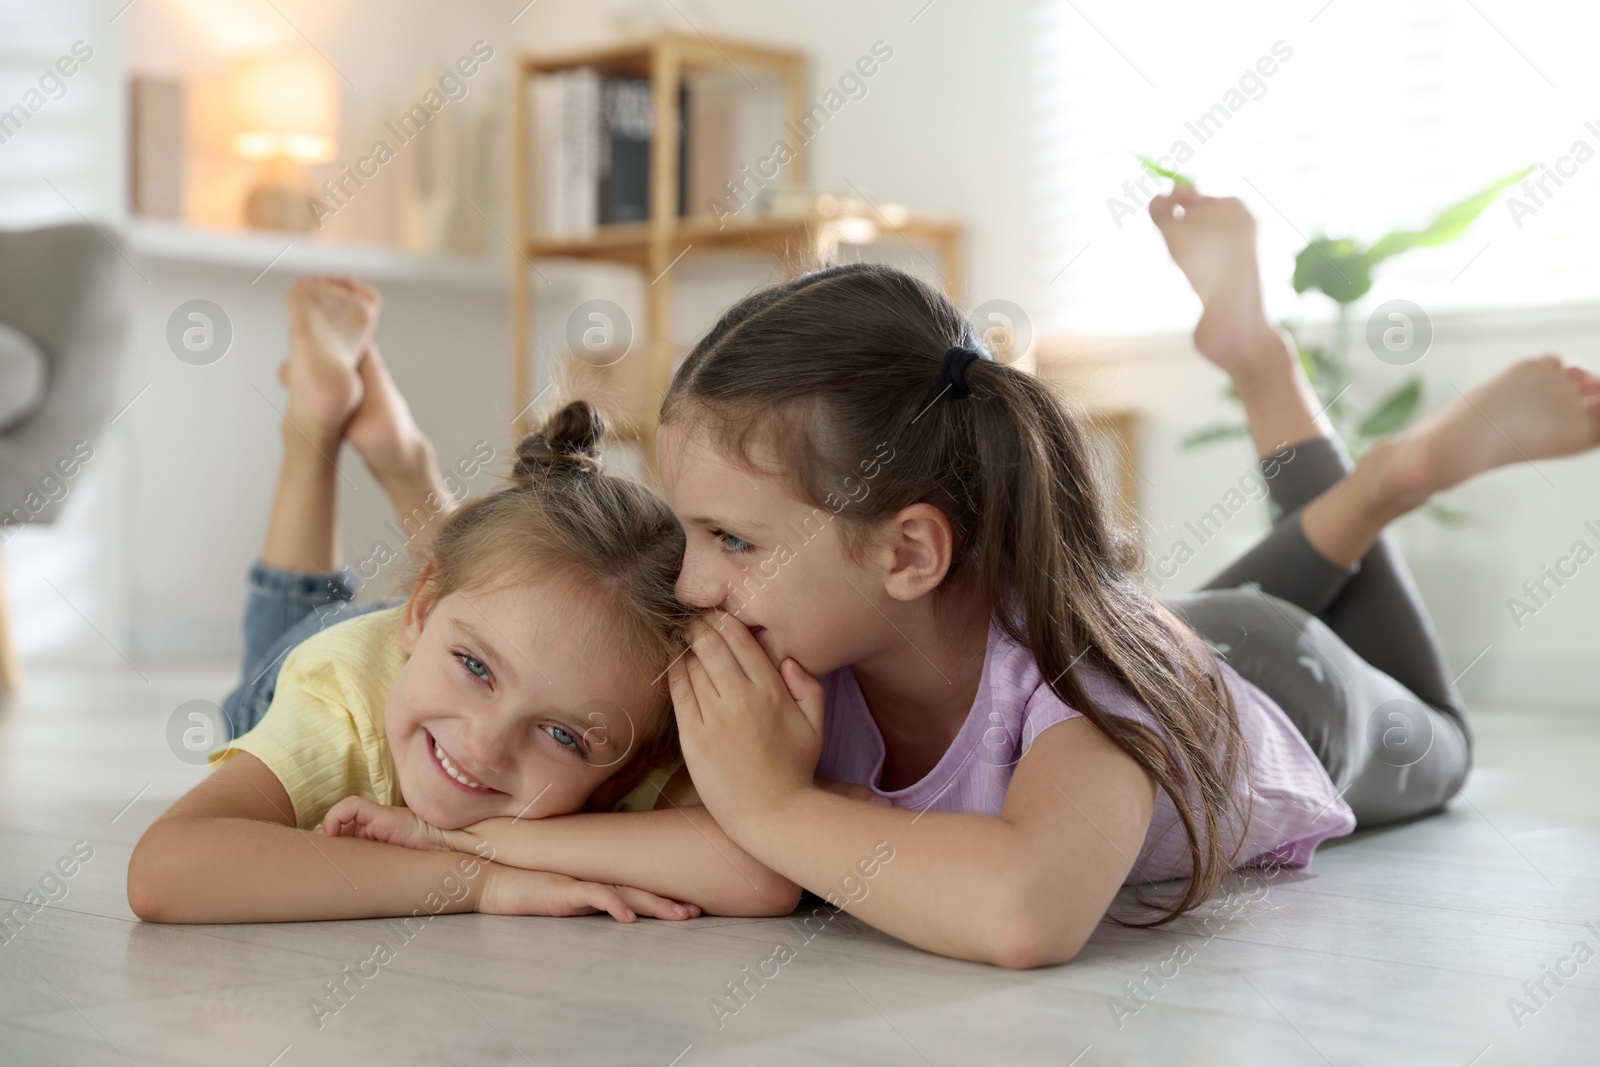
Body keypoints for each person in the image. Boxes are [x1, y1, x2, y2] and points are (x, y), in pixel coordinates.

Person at [647, 186, 1600, 969]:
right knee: (1128, 630)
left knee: (1447, 743)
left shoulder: (1081, 679)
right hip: (1165, 632)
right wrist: (490, 868)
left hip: (1289, 680)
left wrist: (775, 805)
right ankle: (1279, 389)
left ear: (908, 554)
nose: (688, 584)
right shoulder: (821, 644)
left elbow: (1026, 913)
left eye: (731, 539)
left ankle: (1383, 475)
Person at [126, 277, 793, 924]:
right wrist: (477, 880)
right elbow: (164, 873)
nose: (485, 743)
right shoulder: (337, 709)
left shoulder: (629, 706)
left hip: (450, 623)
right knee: (299, 622)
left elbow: (762, 871)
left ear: (630, 771)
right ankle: (314, 427)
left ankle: (407, 468)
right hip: (330, 653)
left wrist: (473, 837)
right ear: (419, 610)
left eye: (561, 734)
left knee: (494, 585)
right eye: (476, 670)